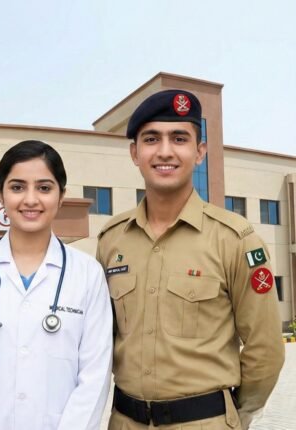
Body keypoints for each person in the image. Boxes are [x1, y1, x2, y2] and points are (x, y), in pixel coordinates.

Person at [96, 89, 285, 429]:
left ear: (199, 153)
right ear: (134, 153)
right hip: (125, 421)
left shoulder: (234, 239)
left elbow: (265, 350)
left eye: (179, 138)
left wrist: (231, 417)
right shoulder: (112, 240)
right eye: (151, 138)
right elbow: (101, 340)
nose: (165, 151)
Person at [0, 140, 113, 430]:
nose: (30, 200)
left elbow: (94, 377)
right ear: (1, 196)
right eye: (17, 187)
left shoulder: (88, 275)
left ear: (61, 196)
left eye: (44, 188)